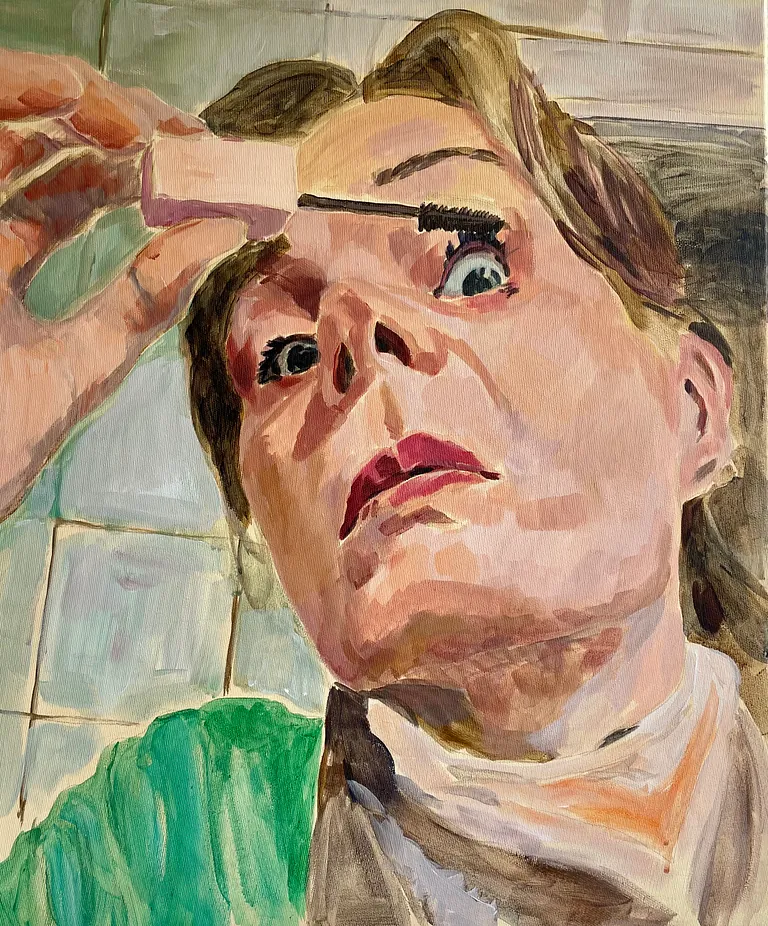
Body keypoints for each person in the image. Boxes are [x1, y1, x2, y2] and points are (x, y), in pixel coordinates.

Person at [0, 10, 766, 925]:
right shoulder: (162, 839)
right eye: (285, 355)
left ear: (693, 407)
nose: (352, 333)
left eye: (473, 268)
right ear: (263, 527)